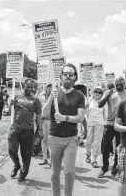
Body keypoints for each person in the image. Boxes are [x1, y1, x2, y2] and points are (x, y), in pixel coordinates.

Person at [42, 63, 86, 196]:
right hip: (54, 137)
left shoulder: (79, 95)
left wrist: (64, 117)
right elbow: (44, 113)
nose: (68, 76)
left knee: (69, 172)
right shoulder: (53, 92)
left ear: (75, 77)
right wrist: (50, 98)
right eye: (65, 74)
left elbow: (80, 118)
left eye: (71, 74)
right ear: (60, 76)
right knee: (55, 173)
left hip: (71, 138)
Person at [8, 79, 43, 182]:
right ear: (24, 86)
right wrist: (10, 105)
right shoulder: (17, 97)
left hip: (28, 131)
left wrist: (40, 129)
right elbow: (10, 112)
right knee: (11, 150)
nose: (31, 89)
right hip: (15, 129)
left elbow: (39, 116)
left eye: (33, 87)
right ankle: (17, 165)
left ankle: (24, 171)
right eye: (29, 86)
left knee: (26, 154)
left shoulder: (36, 100)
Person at [98, 76, 126, 178]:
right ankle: (104, 168)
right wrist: (108, 94)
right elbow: (100, 104)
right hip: (109, 124)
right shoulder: (109, 92)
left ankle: (115, 168)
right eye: (117, 82)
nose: (118, 84)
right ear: (115, 84)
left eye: (121, 82)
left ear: (124, 84)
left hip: (121, 125)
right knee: (105, 146)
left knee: (119, 148)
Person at [85, 86, 106, 168]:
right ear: (94, 93)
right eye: (96, 92)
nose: (97, 93)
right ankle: (88, 154)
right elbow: (85, 113)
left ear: (101, 94)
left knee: (97, 142)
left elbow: (105, 113)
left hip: (100, 123)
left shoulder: (103, 102)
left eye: (99, 92)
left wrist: (105, 123)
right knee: (88, 141)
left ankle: (94, 160)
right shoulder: (89, 100)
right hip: (90, 122)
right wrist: (86, 108)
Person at [39, 88, 52, 166]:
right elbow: (42, 111)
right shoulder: (45, 102)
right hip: (44, 122)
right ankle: (45, 159)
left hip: (51, 123)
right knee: (44, 140)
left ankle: (52, 160)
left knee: (50, 141)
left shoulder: (57, 103)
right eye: (49, 93)